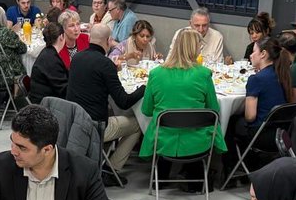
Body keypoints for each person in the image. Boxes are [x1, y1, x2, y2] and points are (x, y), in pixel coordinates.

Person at [139, 28, 221, 188]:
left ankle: (160, 179)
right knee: (195, 133)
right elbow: (214, 110)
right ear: (194, 48)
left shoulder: (156, 74)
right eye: (199, 47)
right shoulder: (204, 74)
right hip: (196, 140)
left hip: (162, 139)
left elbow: (146, 110)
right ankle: (196, 182)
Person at [66, 24, 145, 176]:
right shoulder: (105, 64)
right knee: (136, 123)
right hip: (95, 127)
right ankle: (112, 168)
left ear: (90, 38)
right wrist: (143, 88)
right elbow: (123, 101)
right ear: (108, 41)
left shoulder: (77, 57)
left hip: (74, 122)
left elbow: (92, 80)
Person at [226, 36, 291, 159]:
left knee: (230, 121)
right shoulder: (282, 73)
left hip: (262, 133)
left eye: (254, 51)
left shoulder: (256, 79)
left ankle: (234, 166)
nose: (251, 55)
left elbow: (250, 117)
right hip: (283, 131)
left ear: (263, 54)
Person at [28, 22, 69, 104]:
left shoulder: (47, 53)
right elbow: (63, 90)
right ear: (61, 37)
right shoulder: (51, 59)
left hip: (41, 100)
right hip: (44, 105)